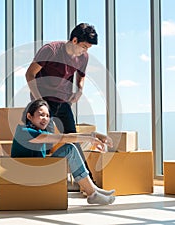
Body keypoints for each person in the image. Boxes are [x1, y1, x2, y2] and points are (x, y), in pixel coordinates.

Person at [25, 22, 111, 177]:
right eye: (84, 46)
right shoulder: (50, 50)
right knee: (45, 142)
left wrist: (79, 90)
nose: (85, 51)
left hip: (63, 102)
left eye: (88, 48)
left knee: (73, 139)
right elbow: (29, 74)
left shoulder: (83, 57)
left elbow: (81, 76)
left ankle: (87, 181)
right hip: (43, 102)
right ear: (75, 40)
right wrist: (40, 101)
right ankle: (39, 178)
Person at [11, 99, 115, 205]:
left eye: (47, 116)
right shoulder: (24, 132)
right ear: (29, 116)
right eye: (41, 115)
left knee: (69, 148)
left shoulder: (39, 131)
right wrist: (91, 137)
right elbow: (62, 138)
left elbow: (67, 135)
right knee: (69, 148)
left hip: (38, 169)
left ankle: (93, 189)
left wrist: (94, 135)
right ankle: (92, 193)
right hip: (28, 174)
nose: (45, 119)